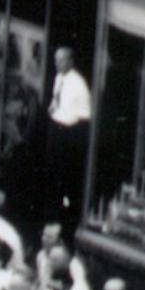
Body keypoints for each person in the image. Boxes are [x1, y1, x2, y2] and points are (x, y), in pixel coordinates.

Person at [45, 45, 92, 227]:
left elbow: (84, 116)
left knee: (64, 176)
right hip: (55, 128)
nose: (57, 63)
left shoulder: (79, 84)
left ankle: (64, 217)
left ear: (70, 61)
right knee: (51, 174)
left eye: (61, 60)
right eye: (56, 60)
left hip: (69, 133)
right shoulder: (59, 78)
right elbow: (56, 101)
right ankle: (51, 212)